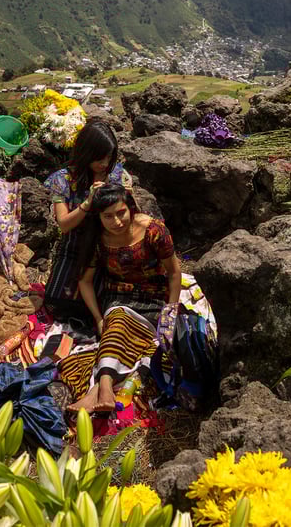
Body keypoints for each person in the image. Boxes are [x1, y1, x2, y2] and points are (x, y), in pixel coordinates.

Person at [59, 183, 182, 413]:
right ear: (99, 218)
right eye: (108, 216)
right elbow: (84, 282)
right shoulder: (99, 239)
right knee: (116, 324)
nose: (116, 221)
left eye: (120, 213)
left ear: (130, 208)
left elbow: (175, 273)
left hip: (154, 299)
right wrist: (97, 318)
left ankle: (94, 391)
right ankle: (105, 385)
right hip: (117, 297)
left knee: (151, 347)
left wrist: (171, 312)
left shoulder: (154, 231)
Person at [43, 120, 132, 321]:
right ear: (86, 154)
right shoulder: (63, 180)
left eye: (109, 157)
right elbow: (64, 224)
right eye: (99, 158)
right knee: (59, 302)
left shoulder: (116, 174)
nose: (105, 164)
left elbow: (127, 212)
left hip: (107, 247)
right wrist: (88, 202)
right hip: (74, 246)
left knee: (107, 302)